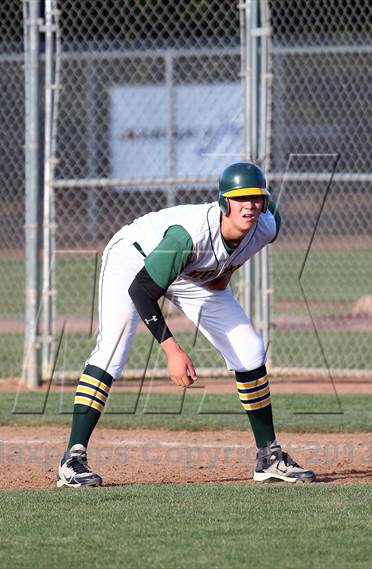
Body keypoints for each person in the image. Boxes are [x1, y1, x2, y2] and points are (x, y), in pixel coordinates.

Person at [57, 161, 316, 487]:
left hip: (191, 270)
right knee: (113, 350)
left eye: (256, 199)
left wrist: (226, 270)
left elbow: (239, 244)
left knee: (250, 349)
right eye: (239, 198)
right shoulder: (189, 234)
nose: (249, 206)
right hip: (138, 256)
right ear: (224, 202)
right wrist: (172, 349)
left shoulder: (267, 224)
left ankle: (269, 457)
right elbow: (142, 291)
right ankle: (72, 460)